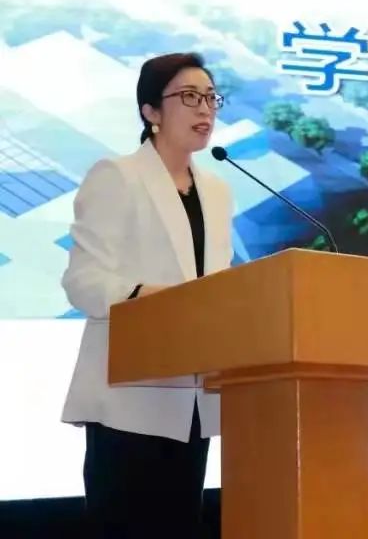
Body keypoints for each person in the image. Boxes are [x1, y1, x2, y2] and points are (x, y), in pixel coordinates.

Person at [60, 52, 234, 538]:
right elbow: (82, 280)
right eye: (189, 97)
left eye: (211, 98)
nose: (205, 109)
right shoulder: (117, 175)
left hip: (194, 401)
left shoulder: (218, 190)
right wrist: (148, 295)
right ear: (151, 111)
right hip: (129, 401)